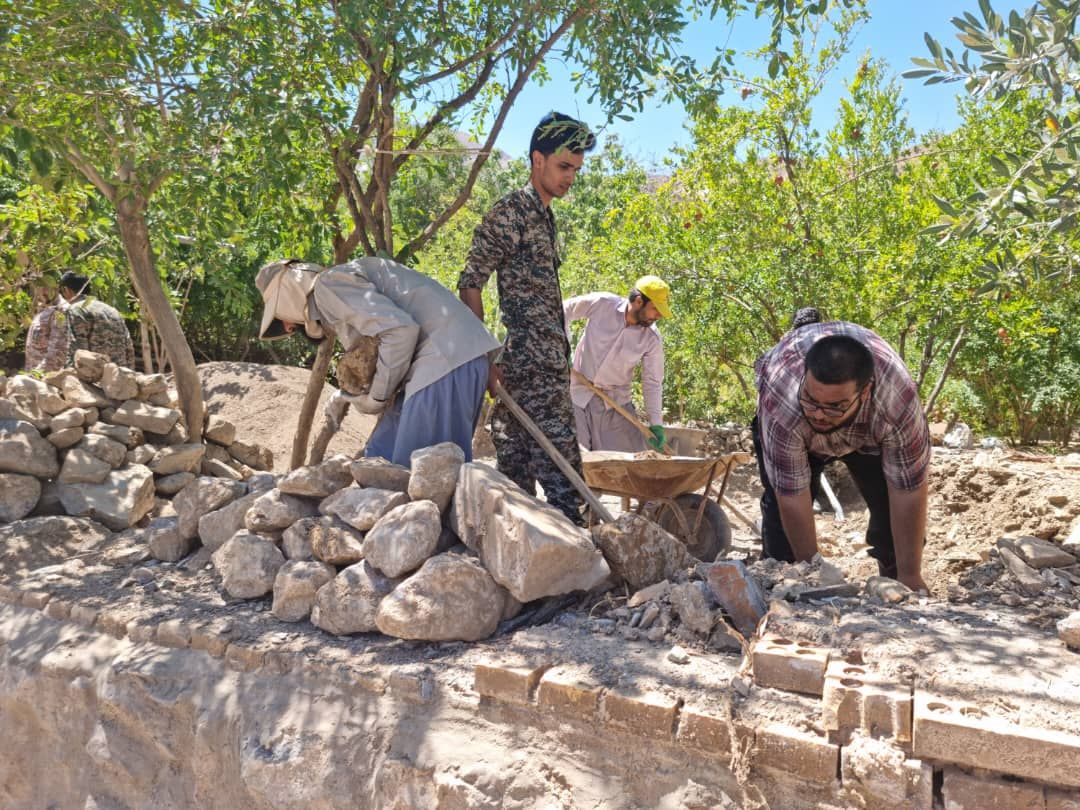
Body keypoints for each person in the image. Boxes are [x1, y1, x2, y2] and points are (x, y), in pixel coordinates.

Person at [457, 111, 597, 524]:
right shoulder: (512, 212)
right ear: (538, 160)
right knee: (560, 482)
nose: (570, 176)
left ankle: (538, 570)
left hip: (543, 364)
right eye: (563, 166)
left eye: (576, 169)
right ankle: (562, 574)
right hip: (526, 367)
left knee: (520, 475)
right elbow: (470, 283)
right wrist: (484, 359)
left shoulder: (545, 216)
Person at [256, 256, 501, 466]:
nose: (288, 327)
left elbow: (400, 331)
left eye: (281, 318)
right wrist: (349, 395)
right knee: (379, 461)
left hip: (442, 364)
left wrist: (377, 398)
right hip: (449, 364)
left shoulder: (328, 286)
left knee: (418, 483)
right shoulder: (343, 280)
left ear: (287, 295)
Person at [752, 321, 931, 592]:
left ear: (866, 391)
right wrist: (811, 578)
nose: (819, 413)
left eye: (834, 406)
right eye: (812, 400)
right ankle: (781, 585)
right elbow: (791, 495)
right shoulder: (783, 401)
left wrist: (910, 576)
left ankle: (897, 584)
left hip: (869, 433)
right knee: (782, 537)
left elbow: (907, 490)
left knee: (889, 518)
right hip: (794, 428)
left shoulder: (896, 402)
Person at [563, 276, 671, 452]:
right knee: (576, 461)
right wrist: (563, 347)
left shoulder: (652, 339)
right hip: (578, 395)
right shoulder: (602, 304)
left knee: (626, 466)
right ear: (638, 301)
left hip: (616, 405)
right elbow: (563, 309)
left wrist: (656, 423)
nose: (658, 315)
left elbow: (652, 382)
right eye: (655, 309)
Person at [58, 271, 135, 369]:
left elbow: (78, 353)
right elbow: (129, 348)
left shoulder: (76, 309)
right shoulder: (111, 310)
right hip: (117, 375)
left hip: (94, 377)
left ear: (66, 290)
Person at [25, 288, 70, 373]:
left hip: (45, 378)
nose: (42, 291)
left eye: (46, 287)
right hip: (33, 374)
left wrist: (37, 374)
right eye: (39, 287)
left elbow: (57, 352)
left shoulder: (61, 310)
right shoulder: (43, 306)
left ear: (56, 286)